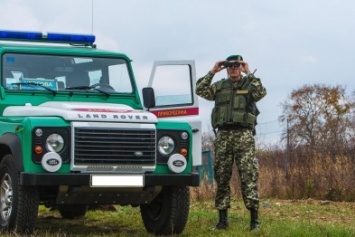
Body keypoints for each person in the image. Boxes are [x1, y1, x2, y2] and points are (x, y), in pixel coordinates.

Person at [195, 55, 266, 231]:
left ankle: (254, 221)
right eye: (230, 66)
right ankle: (222, 221)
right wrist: (213, 71)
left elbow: (261, 93)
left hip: (243, 135)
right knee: (222, 175)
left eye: (237, 65)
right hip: (223, 136)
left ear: (240, 67)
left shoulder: (249, 85)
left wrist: (248, 71)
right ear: (226, 68)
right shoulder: (220, 87)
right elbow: (200, 89)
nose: (233, 68)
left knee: (248, 175)